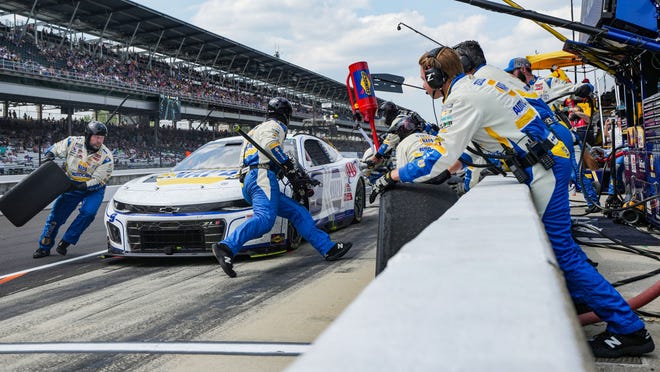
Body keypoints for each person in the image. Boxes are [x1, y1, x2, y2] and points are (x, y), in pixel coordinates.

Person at [373, 46, 654, 358]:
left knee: (562, 252)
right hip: (546, 162)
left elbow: (439, 159)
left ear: (436, 76)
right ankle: (586, 299)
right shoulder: (476, 85)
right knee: (561, 250)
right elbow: (472, 147)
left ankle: (629, 329)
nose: (423, 85)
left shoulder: (460, 99)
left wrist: (393, 175)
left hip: (544, 169)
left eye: (424, 79)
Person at [211, 97, 352, 278]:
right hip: (261, 177)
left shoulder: (255, 130)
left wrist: (283, 169)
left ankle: (328, 248)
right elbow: (271, 145)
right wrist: (287, 166)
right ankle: (226, 246)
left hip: (252, 179)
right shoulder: (276, 126)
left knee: (298, 212)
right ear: (286, 115)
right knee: (265, 220)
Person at [505, 56, 600, 213]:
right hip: (541, 142)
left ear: (521, 69)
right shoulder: (515, 91)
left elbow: (572, 88)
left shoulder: (546, 84)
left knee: (574, 172)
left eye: (511, 72)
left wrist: (586, 87)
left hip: (561, 135)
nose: (510, 76)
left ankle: (593, 204)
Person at [33, 121, 114, 258]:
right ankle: (44, 246)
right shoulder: (72, 142)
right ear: (87, 135)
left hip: (93, 189)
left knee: (88, 213)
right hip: (71, 185)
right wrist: (49, 155)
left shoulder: (107, 157)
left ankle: (66, 241)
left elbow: (99, 181)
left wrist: (80, 186)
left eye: (102, 137)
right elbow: (56, 148)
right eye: (96, 137)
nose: (99, 140)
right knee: (55, 217)